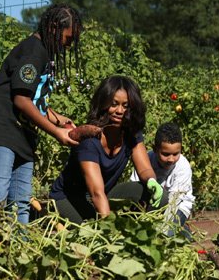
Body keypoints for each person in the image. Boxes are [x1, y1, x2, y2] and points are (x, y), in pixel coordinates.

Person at [0, 4, 83, 241]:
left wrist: (56, 117)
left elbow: (34, 97)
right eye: (68, 38)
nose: (69, 45)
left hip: (21, 134)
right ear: (54, 28)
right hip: (1, 127)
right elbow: (21, 99)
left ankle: (19, 257)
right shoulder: (35, 51)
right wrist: (56, 132)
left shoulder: (46, 52)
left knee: (21, 202)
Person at [49, 75, 166, 224]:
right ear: (103, 103)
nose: (119, 110)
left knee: (160, 197)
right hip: (70, 197)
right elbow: (96, 193)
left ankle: (140, 233)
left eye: (126, 106)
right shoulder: (90, 140)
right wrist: (110, 228)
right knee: (94, 231)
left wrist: (151, 180)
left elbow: (144, 169)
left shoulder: (131, 134)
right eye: (114, 104)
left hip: (104, 193)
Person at [130, 122, 194, 237]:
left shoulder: (183, 167)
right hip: (149, 206)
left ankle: (184, 232)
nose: (171, 159)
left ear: (181, 150)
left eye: (175, 154)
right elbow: (134, 188)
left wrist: (160, 228)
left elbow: (174, 202)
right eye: (165, 154)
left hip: (176, 207)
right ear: (155, 149)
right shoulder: (145, 161)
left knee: (165, 235)